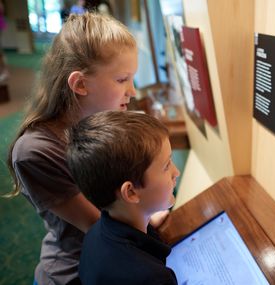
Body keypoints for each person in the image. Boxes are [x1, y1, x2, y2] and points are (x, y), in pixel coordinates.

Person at [6, 13, 168, 284]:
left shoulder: (104, 118)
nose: (132, 91)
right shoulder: (34, 151)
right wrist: (149, 215)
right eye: (121, 80)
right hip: (78, 270)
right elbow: (99, 226)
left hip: (125, 251)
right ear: (80, 84)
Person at [66, 110, 180, 285]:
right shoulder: (152, 278)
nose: (176, 172)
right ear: (131, 192)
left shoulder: (96, 232)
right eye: (166, 166)